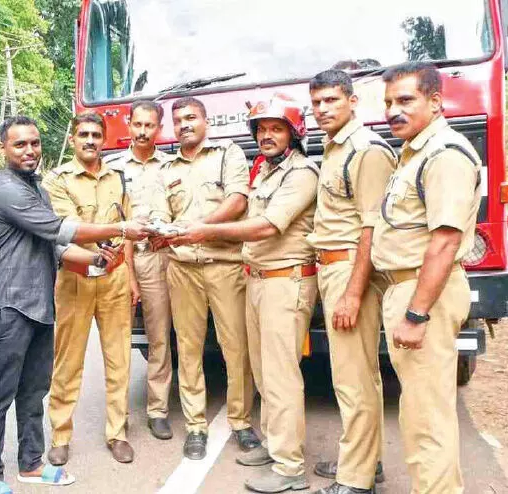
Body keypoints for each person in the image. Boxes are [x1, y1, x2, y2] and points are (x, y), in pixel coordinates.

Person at [0, 115, 146, 494]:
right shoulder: (7, 189)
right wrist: (120, 229)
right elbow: (59, 230)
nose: (29, 150)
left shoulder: (35, 186)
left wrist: (96, 260)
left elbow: (52, 244)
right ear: (2, 146)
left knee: (34, 388)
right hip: (9, 304)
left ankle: (31, 464)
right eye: (19, 144)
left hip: (39, 302)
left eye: (35, 143)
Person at [170, 94, 319, 492]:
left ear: (294, 132)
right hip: (259, 279)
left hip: (286, 282)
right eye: (262, 129)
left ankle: (289, 468)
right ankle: (273, 444)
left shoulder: (301, 173)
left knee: (282, 376)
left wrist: (204, 229)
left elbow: (267, 226)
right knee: (266, 371)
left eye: (276, 128)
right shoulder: (267, 173)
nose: (267, 136)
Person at [372, 62, 480, 493]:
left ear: (435, 102)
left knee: (427, 418)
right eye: (388, 103)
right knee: (421, 414)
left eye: (404, 100)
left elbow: (444, 242)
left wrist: (416, 315)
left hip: (424, 293)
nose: (393, 111)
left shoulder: (444, 155)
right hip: (409, 286)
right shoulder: (415, 151)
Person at [148, 96, 258, 460]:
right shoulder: (165, 169)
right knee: (189, 349)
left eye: (191, 117)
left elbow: (238, 202)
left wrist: (198, 229)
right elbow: (161, 215)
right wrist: (164, 230)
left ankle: (241, 420)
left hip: (225, 264)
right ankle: (195, 425)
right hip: (182, 269)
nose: (185, 125)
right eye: (178, 120)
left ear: (205, 121)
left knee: (235, 348)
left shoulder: (228, 154)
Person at [307, 69, 396, 494]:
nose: (323, 109)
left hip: (349, 268)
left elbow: (371, 228)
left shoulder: (367, 151)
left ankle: (356, 481)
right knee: (358, 375)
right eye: (317, 102)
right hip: (333, 266)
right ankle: (365, 461)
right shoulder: (335, 146)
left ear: (352, 100)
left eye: (331, 100)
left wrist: (353, 293)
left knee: (354, 379)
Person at [42, 112, 142, 466]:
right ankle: (60, 434)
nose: (89, 140)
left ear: (104, 139)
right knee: (67, 362)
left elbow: (127, 232)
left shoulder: (119, 178)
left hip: (114, 280)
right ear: (72, 140)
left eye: (96, 134)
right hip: (75, 279)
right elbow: (67, 229)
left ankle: (118, 433)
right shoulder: (57, 180)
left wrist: (128, 272)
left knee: (120, 359)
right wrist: (104, 247)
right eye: (83, 134)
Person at [103, 100, 175, 440]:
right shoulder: (114, 169)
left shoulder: (172, 166)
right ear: (129, 125)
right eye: (138, 124)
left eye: (151, 125)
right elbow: (114, 223)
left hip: (164, 258)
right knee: (117, 341)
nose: (143, 131)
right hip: (123, 260)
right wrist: (128, 273)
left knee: (160, 337)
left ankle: (158, 410)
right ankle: (117, 418)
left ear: (159, 128)